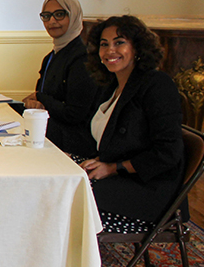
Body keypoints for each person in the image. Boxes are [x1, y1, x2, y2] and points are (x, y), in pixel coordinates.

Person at [78, 15, 185, 233]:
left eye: (119, 42)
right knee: (61, 176)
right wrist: (100, 161)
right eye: (104, 44)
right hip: (121, 179)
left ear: (137, 47)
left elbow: (168, 153)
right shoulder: (112, 86)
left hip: (150, 194)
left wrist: (113, 168)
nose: (110, 51)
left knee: (63, 196)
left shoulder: (157, 85)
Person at [22, 0, 98, 155]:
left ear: (74, 15)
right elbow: (44, 96)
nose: (52, 21)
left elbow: (73, 114)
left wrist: (40, 98)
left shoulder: (82, 58)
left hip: (74, 141)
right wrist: (36, 101)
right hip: (51, 130)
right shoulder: (52, 56)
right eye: (46, 16)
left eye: (59, 14)